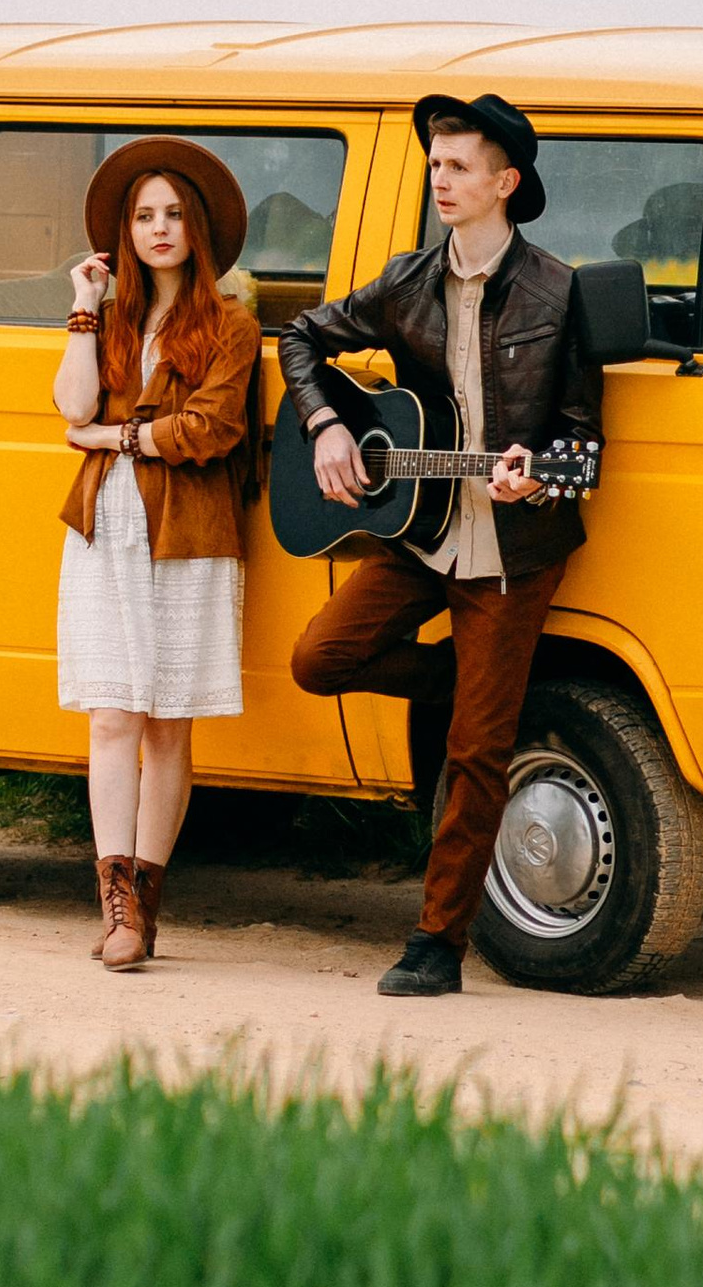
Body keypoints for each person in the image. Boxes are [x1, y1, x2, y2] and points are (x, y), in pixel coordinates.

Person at [280, 90, 603, 997]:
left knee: (474, 754)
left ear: (506, 181)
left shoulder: (557, 290)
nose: (441, 181)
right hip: (419, 533)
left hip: (512, 548)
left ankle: (437, 946)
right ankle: (469, 689)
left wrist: (537, 472)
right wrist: (325, 427)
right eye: (435, 166)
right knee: (320, 656)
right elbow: (301, 336)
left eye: (458, 167)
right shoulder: (407, 281)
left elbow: (585, 440)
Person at [53, 137, 261, 972]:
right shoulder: (107, 320)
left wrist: (114, 434)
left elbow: (212, 429)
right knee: (112, 715)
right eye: (144, 216)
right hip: (107, 527)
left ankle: (145, 900)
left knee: (168, 723)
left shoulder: (231, 326)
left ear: (198, 229)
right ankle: (116, 908)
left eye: (174, 214)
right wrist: (82, 304)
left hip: (188, 531)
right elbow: (68, 404)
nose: (160, 228)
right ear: (124, 233)